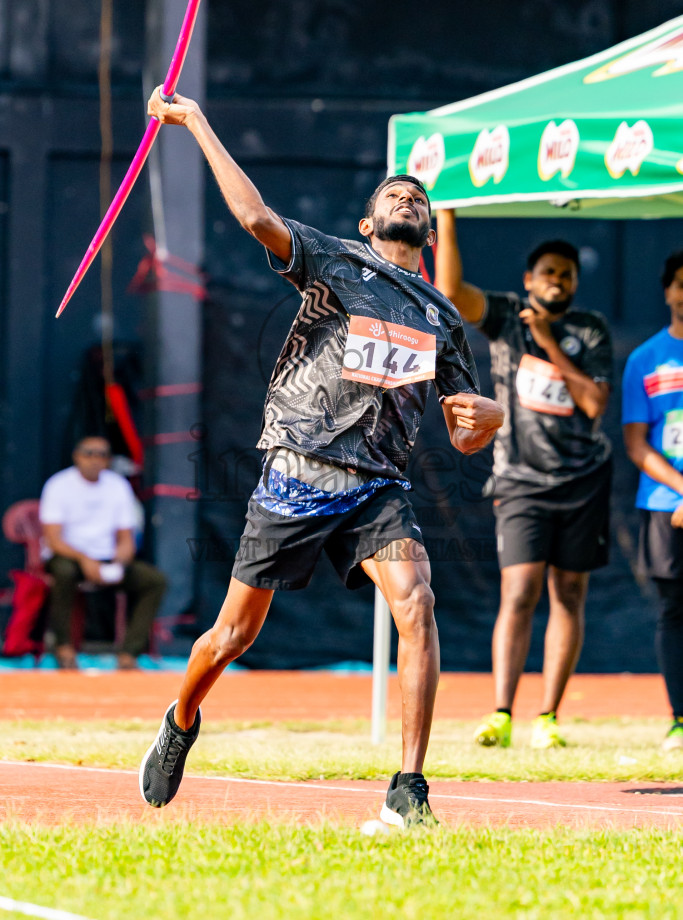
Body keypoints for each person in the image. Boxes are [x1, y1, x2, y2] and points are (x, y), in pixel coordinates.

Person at [138, 86, 504, 827]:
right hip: (298, 469)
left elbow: (465, 432)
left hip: (377, 486)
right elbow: (252, 217)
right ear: (369, 222)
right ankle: (180, 719)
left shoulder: (442, 319)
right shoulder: (334, 259)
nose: (407, 197)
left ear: (428, 229)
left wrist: (489, 418)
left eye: (417, 197)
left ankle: (409, 790)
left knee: (417, 602)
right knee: (233, 636)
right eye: (392, 193)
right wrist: (196, 120)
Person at [435, 209, 612, 749]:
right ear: (529, 280)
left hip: (582, 482)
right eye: (548, 272)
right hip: (519, 482)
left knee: (570, 594)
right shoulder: (508, 316)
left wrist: (550, 344)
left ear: (574, 283)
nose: (557, 280)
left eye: (566, 274)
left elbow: (593, 403)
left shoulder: (591, 329)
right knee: (519, 591)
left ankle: (549, 718)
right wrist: (448, 216)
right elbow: (450, 293)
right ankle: (501, 713)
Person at [622, 250, 683, 751]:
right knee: (672, 611)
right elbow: (637, 444)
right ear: (667, 291)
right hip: (666, 506)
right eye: (681, 283)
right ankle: (679, 719)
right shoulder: (645, 359)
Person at [39, 435, 166, 670]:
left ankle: (129, 653)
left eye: (102, 455)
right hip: (69, 556)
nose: (95, 460)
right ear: (76, 456)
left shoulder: (117, 486)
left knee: (154, 580)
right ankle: (63, 648)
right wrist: (85, 559)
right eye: (89, 453)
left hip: (106, 559)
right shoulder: (58, 485)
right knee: (63, 573)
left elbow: (126, 537)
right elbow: (53, 539)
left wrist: (120, 561)